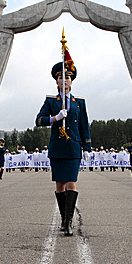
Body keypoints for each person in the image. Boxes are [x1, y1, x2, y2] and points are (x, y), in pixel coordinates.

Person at [36, 61, 91, 236]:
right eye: (61, 77)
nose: (64, 80)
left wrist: (87, 147)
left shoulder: (79, 102)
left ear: (71, 81)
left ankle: (68, 222)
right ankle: (63, 218)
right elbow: (39, 120)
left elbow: (84, 126)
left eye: (67, 77)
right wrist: (55, 118)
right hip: (58, 147)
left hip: (73, 148)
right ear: (56, 81)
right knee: (60, 185)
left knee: (71, 183)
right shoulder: (51, 101)